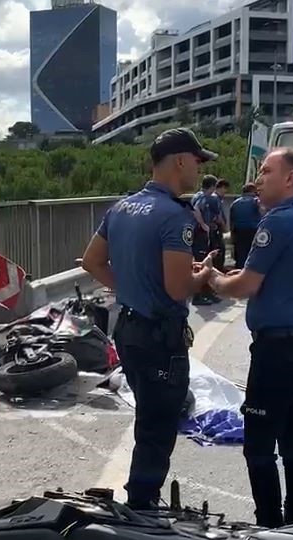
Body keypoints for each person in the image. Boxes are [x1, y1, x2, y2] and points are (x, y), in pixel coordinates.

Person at [81, 127, 217, 509]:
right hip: (160, 336)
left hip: (128, 328)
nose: (198, 167)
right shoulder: (176, 217)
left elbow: (92, 261)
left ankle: (141, 497)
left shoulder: (122, 206)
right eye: (197, 160)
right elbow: (177, 289)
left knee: (148, 417)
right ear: (178, 162)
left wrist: (129, 289)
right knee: (158, 427)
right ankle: (142, 504)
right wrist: (202, 276)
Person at [207, 147, 293, 528]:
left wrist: (212, 278)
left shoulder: (277, 221)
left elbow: (244, 286)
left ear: (290, 178)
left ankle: (270, 529)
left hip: (277, 349)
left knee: (259, 446)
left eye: (266, 171)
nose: (258, 179)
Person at [190, 175, 223, 306]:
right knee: (202, 262)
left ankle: (206, 292)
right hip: (201, 234)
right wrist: (203, 224)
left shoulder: (197, 195)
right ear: (213, 187)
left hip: (197, 233)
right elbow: (196, 209)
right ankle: (198, 295)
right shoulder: (204, 198)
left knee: (204, 261)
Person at [229, 182, 262, 268]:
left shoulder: (234, 203)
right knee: (253, 254)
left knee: (240, 254)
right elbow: (263, 213)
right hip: (253, 231)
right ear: (253, 191)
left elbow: (231, 221)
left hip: (238, 231)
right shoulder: (256, 201)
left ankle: (239, 271)